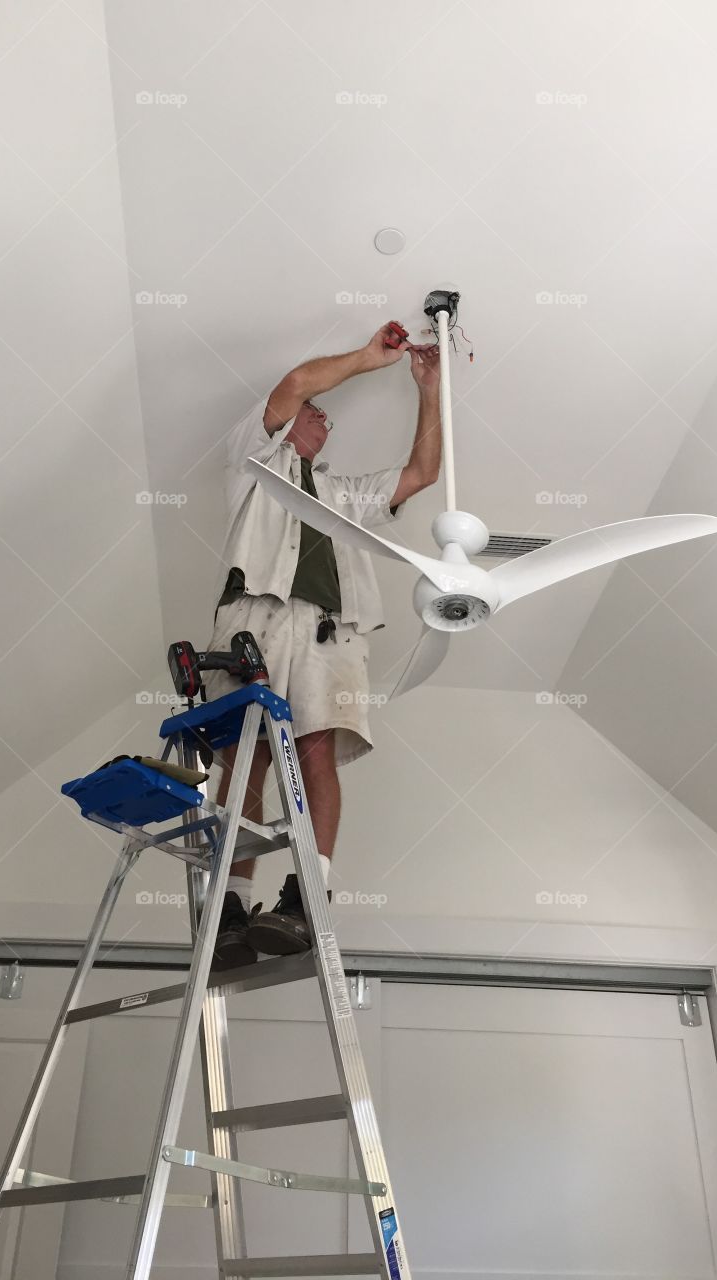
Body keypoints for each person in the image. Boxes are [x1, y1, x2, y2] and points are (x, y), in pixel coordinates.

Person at [204, 321, 441, 968]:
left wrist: (429, 388)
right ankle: (227, 905)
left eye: (324, 420)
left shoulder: (344, 496)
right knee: (245, 755)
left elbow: (423, 472)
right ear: (286, 424)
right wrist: (370, 357)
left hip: (330, 630)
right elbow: (297, 382)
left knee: (315, 755)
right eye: (316, 415)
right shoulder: (252, 459)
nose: (323, 421)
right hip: (255, 617)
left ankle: (304, 898)